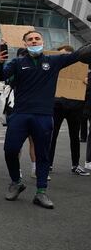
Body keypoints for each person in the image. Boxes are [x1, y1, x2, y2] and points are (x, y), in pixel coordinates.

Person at [0, 31, 91, 208]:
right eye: (30, 39)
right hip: (20, 114)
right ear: (25, 44)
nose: (34, 41)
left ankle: (41, 192)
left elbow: (80, 54)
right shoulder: (17, 62)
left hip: (44, 116)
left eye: (37, 38)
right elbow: (1, 76)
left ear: (43, 42)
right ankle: (16, 182)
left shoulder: (54, 61)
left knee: (43, 155)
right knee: (10, 150)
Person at [48, 45, 89, 176]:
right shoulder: (54, 68)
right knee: (52, 136)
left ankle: (75, 164)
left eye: (65, 55)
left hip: (75, 106)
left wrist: (87, 82)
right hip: (57, 105)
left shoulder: (83, 67)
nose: (62, 58)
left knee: (74, 137)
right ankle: (48, 164)